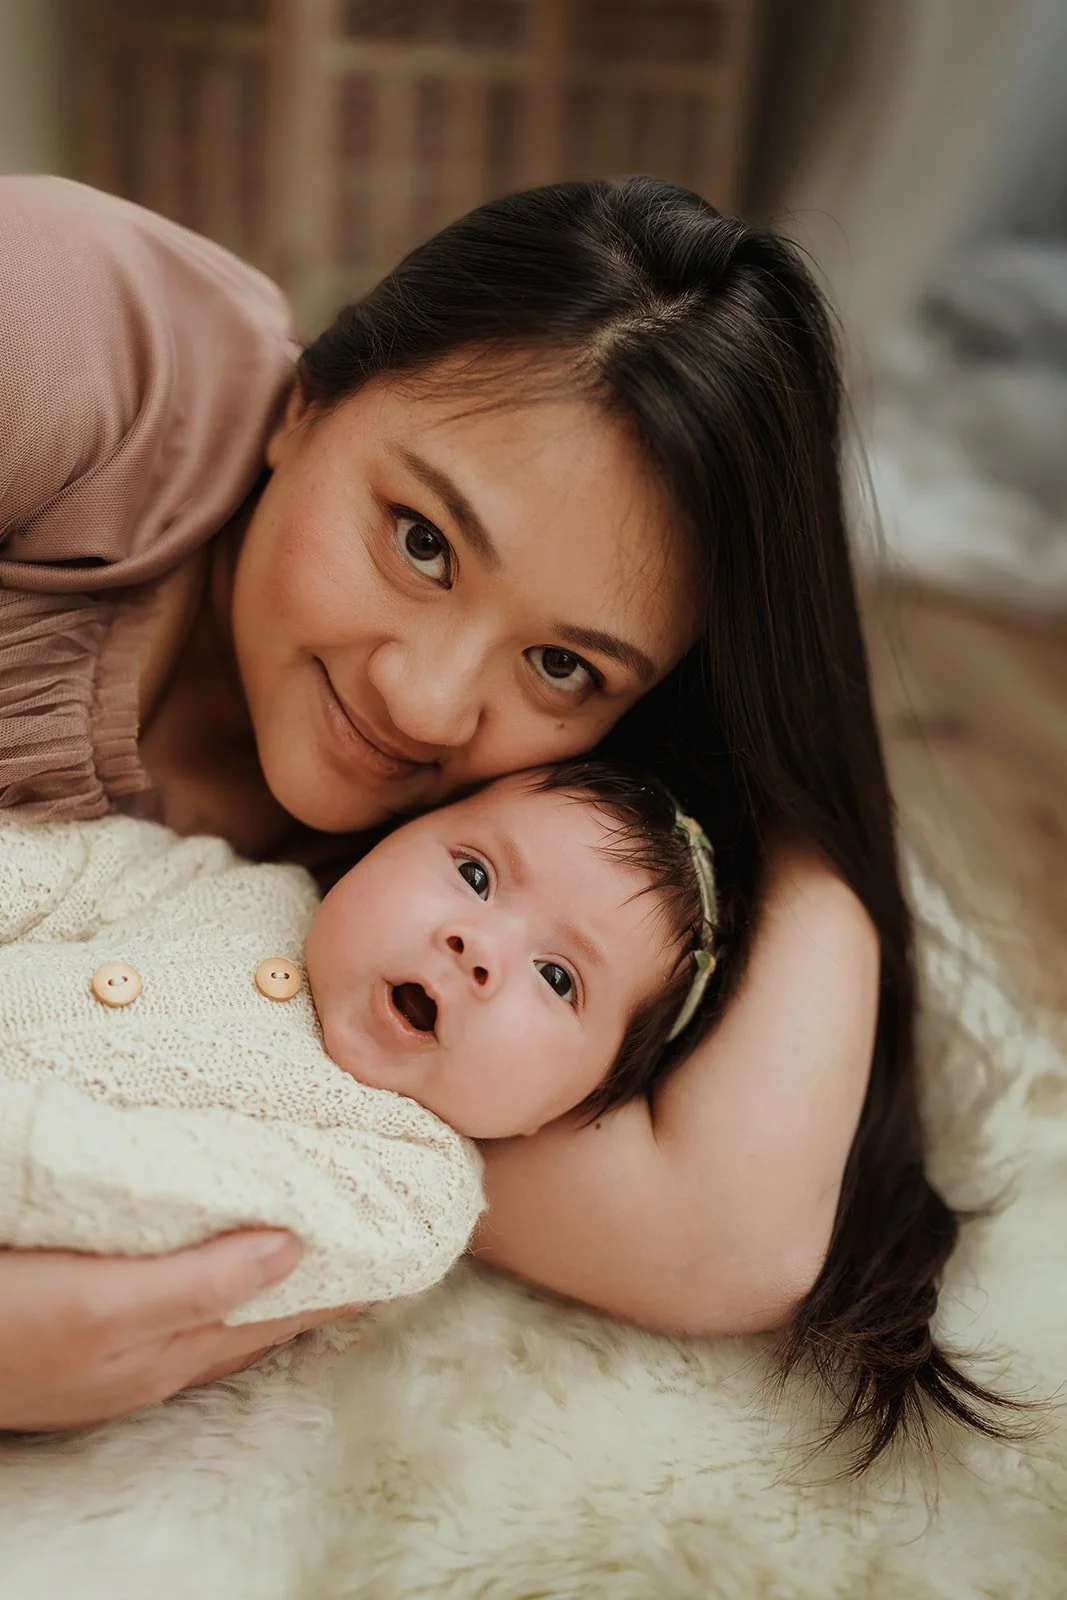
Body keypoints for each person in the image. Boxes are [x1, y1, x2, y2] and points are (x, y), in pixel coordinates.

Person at [0, 172, 1010, 1466]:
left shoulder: (424, 908)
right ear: (308, 398)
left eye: (562, 666)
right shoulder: (83, 338)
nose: (423, 700)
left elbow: (724, 1239)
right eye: (420, 541)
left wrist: (803, 769)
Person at [0, 762, 712, 1322]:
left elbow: (157, 1200)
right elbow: (53, 870)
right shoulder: (235, 885)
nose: (478, 946)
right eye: (475, 875)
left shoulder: (409, 1189)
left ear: (565, 1107)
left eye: (557, 978)